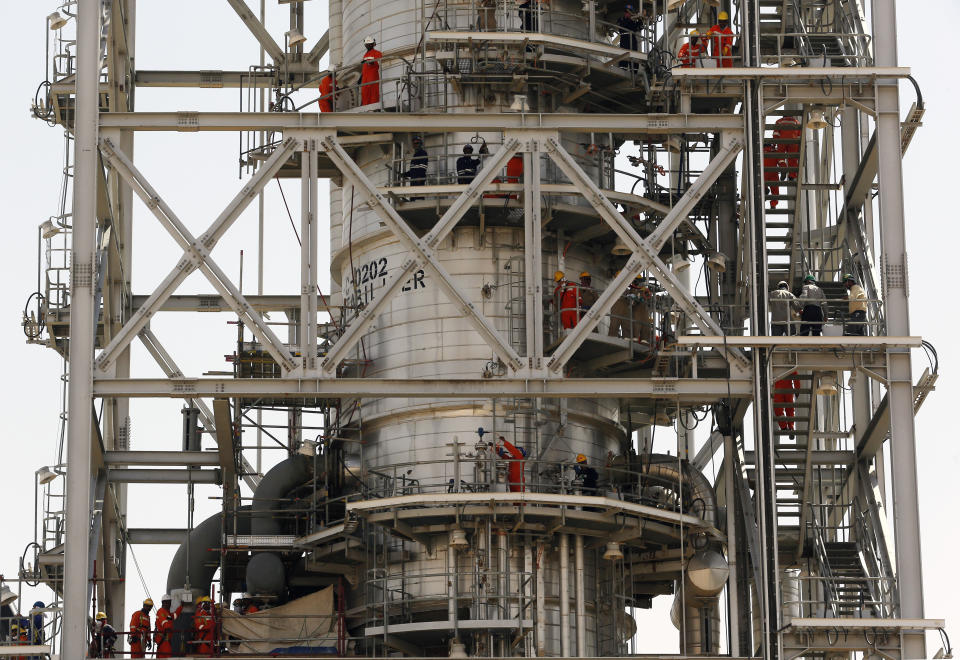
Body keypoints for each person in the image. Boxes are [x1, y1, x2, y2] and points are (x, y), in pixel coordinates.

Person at [773, 371, 801, 439]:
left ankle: (790, 427)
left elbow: (795, 373)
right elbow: (795, 374)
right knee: (778, 409)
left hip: (784, 388)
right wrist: (797, 388)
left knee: (789, 409)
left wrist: (797, 388)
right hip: (778, 388)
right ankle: (784, 427)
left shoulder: (787, 363)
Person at [359, 36, 382, 106]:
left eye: (370, 44)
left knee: (373, 92)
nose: (368, 46)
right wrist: (360, 78)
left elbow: (378, 62)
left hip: (372, 76)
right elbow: (364, 68)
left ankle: (374, 107)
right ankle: (365, 107)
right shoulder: (365, 55)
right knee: (365, 93)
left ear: (373, 44)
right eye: (367, 44)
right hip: (365, 78)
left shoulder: (377, 53)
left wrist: (371, 62)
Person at [763, 143, 781, 208]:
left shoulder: (759, 152)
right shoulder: (775, 152)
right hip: (773, 174)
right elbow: (781, 162)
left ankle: (763, 194)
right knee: (775, 192)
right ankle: (773, 204)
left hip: (763, 174)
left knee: (760, 187)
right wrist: (784, 171)